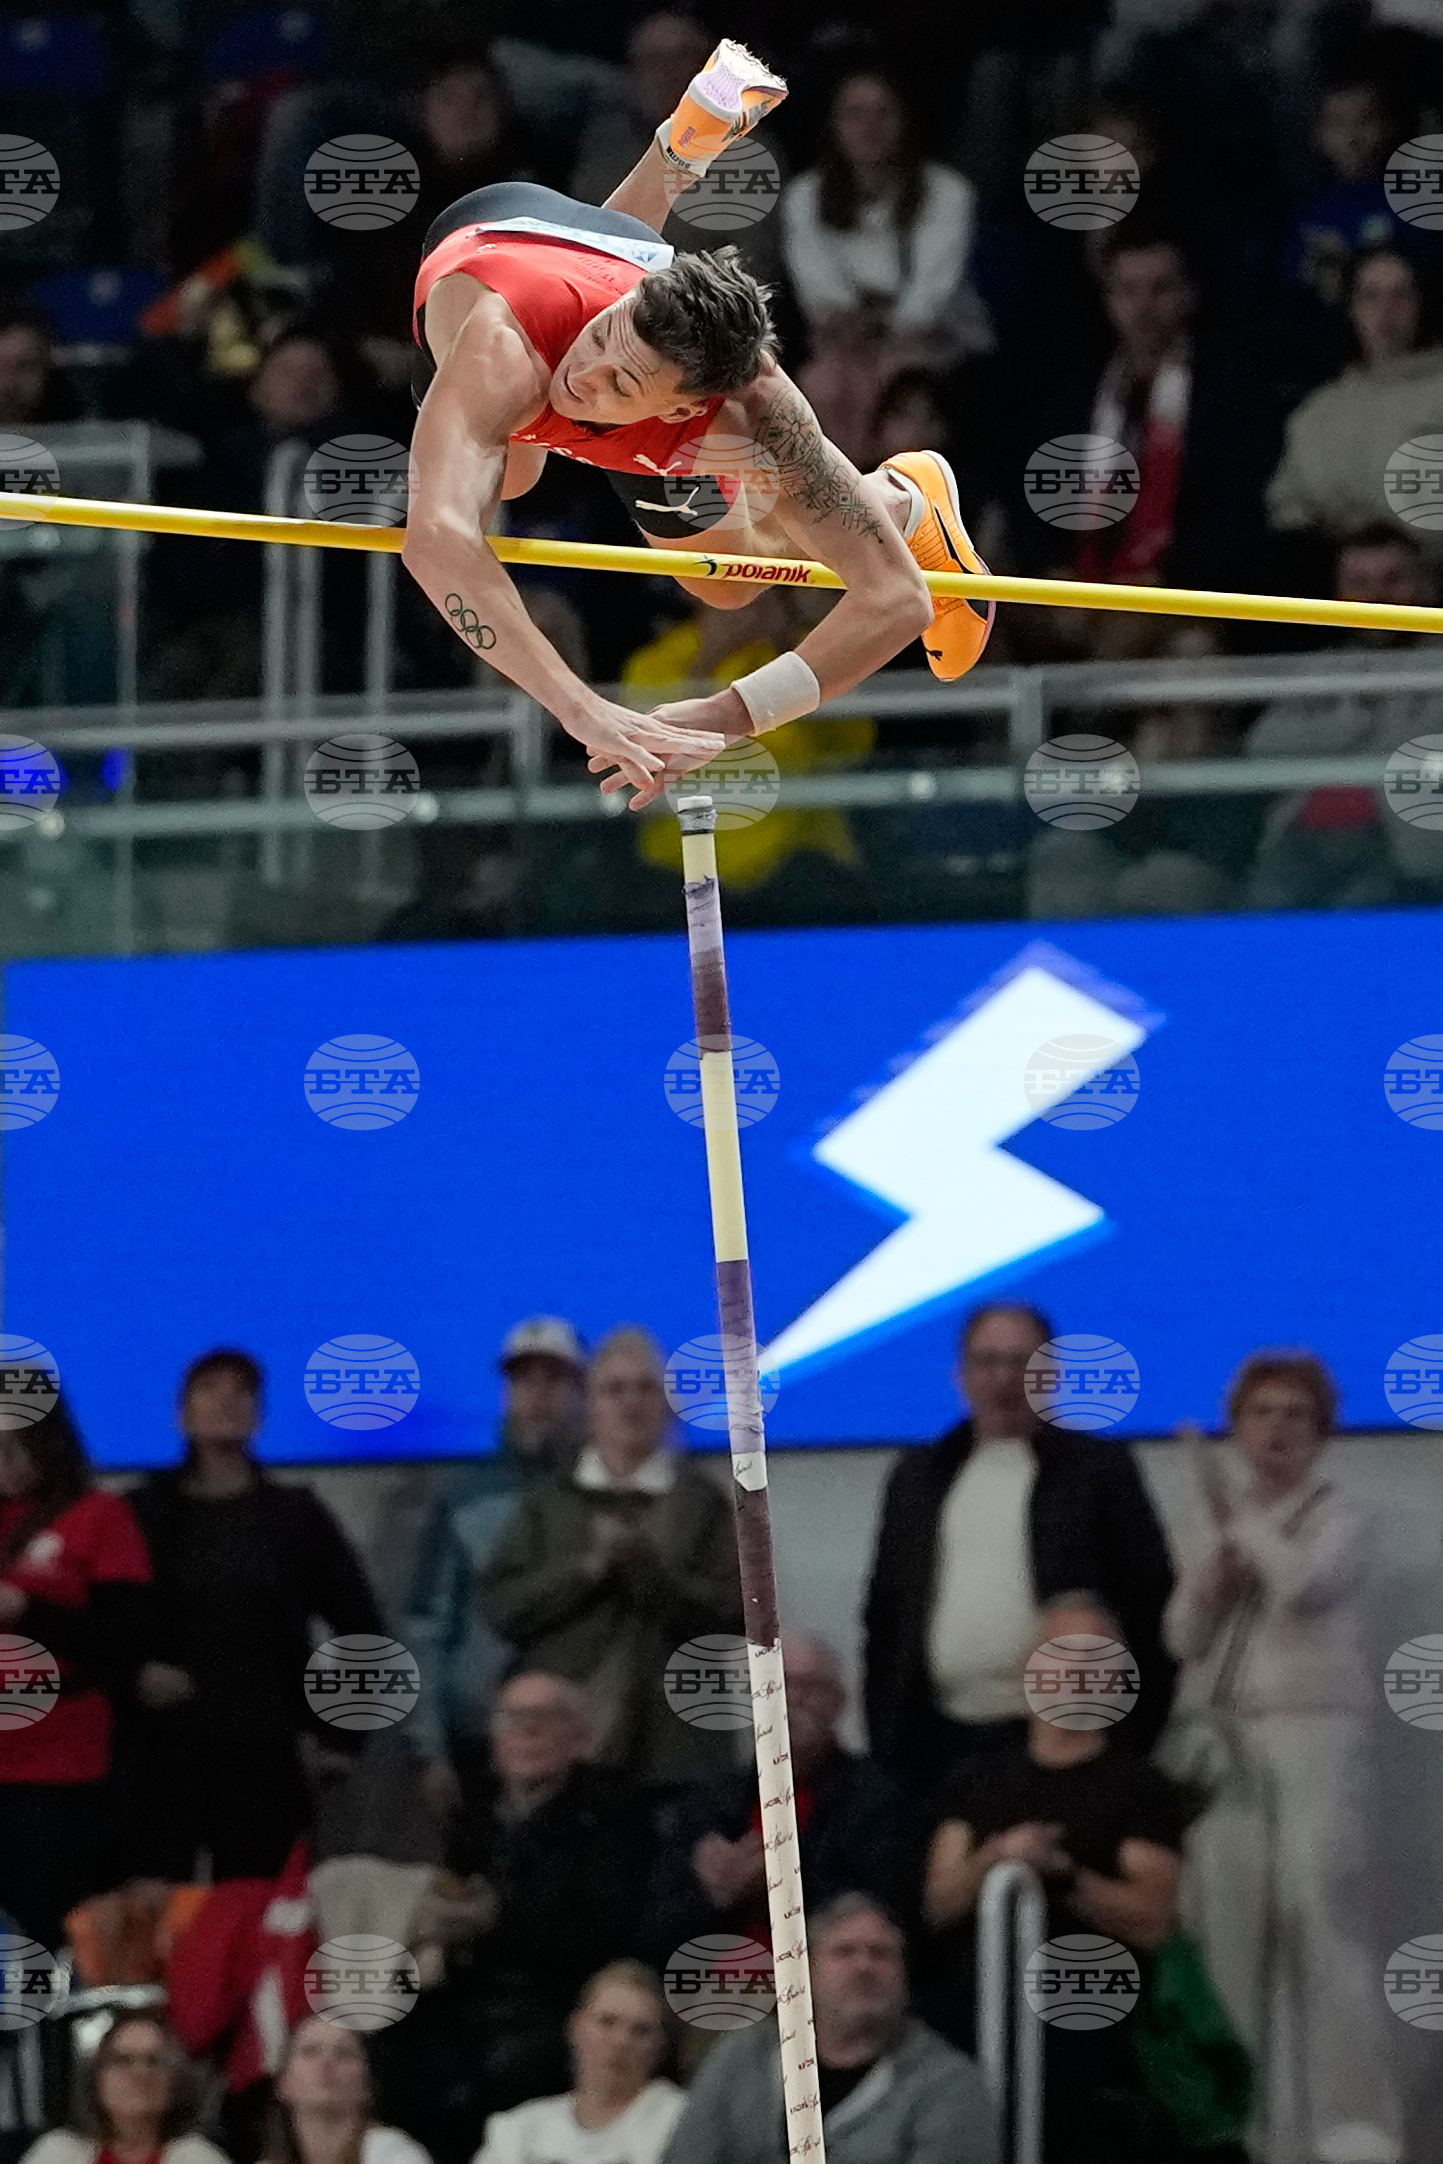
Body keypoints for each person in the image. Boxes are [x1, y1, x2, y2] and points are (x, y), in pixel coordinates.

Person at [404, 38, 995, 814]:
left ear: (687, 408)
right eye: (605, 340)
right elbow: (435, 543)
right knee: (512, 470)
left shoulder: (753, 401)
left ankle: (902, 502)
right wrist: (584, 711)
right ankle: (681, 145)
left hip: (606, 286)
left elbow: (896, 603)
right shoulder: (506, 350)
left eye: (621, 380)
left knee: (722, 585)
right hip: (499, 250)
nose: (587, 374)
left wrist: (730, 716)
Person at [1164, 1352, 1405, 2164]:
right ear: (1237, 1424)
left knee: (1320, 1916)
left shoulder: (1346, 1512)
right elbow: (1181, 1639)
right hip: (1232, 1741)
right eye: (1261, 1412)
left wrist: (1246, 1529)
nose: (1275, 1428)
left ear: (1321, 1432)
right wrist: (1212, 1570)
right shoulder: (1223, 1523)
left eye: (1294, 1414)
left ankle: (1351, 2126)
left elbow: (1304, 1585)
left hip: (1316, 1736)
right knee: (1232, 1926)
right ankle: (1246, 2123)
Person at [863, 1303, 1175, 1791]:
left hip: (1065, 1739)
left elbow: (1150, 1601)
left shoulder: (1099, 1471)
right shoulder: (919, 1475)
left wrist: (1134, 1739)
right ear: (961, 1374)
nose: (1005, 1378)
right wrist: (884, 1737)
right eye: (987, 1362)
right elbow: (885, 1612)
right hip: (935, 1739)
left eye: (1022, 1362)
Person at [921, 1612, 1196, 2164]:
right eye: (1058, 1653)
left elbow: (1154, 1919)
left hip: (1090, 2032)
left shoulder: (1140, 1789)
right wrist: (999, 1855)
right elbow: (938, 1904)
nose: (1072, 1672)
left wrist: (1062, 1874)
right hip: (970, 2019)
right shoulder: (976, 1780)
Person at [372, 1671, 652, 2164]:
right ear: (495, 1738)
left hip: (555, 1999)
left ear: (578, 1738)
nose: (529, 1733)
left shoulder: (615, 1815)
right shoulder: (473, 1815)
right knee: (384, 2043)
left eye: (546, 1720)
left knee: (501, 2073)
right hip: (464, 1993)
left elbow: (610, 1933)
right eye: (514, 1720)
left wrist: (495, 1922)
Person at [127, 1347, 385, 1881]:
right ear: (181, 1414)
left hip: (266, 1755)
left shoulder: (295, 1516)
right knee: (157, 1930)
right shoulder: (140, 1514)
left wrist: (340, 1742)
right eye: (209, 1390)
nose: (226, 1401)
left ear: (260, 1414)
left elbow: (363, 1629)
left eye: (241, 1392)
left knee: (255, 1922)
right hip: (160, 1758)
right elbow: (104, 1624)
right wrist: (134, 1673)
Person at [479, 1328, 742, 1789]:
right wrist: (588, 1568)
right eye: (614, 1390)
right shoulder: (549, 1501)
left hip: (676, 1752)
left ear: (667, 1406)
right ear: (590, 1404)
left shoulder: (702, 1502)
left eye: (646, 1389)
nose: (630, 1403)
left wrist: (642, 1568)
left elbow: (731, 1617)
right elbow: (503, 1609)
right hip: (566, 1753)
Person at [402, 1316, 588, 1820]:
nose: (538, 1395)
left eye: (555, 1379)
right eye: (523, 1379)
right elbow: (427, 1627)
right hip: (480, 1737)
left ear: (581, 1392)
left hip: (587, 1737)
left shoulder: (610, 1491)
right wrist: (429, 1749)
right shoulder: (465, 1493)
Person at [659, 1893, 997, 2164]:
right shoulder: (742, 2053)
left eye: (880, 1954)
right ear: (806, 1970)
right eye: (844, 1952)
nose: (863, 1966)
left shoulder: (949, 2083)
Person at [645, 1632, 916, 1963]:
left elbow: (886, 1910)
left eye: (811, 1687)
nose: (794, 1699)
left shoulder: (877, 1797)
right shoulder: (709, 1802)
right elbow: (655, 1928)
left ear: (839, 1703)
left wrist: (776, 1884)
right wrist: (710, 1894)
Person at [781, 71, 990, 467]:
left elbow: (931, 291)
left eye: (883, 113)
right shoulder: (804, 196)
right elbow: (819, 292)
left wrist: (885, 323)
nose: (869, 128)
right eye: (854, 114)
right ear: (834, 126)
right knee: (819, 386)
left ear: (906, 121)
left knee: (901, 393)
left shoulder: (948, 191)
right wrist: (853, 322)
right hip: (844, 341)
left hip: (935, 340)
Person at [0, 1397, 149, 1951]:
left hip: (58, 1760)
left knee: (48, 1929)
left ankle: (56, 2037)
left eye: (15, 1442)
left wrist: (26, 1610)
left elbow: (124, 1637)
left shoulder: (96, 1516)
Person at [1244, 526, 1443, 907]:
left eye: (1394, 580)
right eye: (1360, 583)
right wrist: (1359, 714)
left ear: (1426, 586)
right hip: (1302, 842)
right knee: (1266, 913)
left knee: (1362, 906)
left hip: (1402, 849)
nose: (1377, 599)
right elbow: (1263, 745)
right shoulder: (1319, 671)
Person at [1268, 244, 1443, 555]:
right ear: (1351, 308)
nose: (1386, 309)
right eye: (1370, 296)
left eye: (1400, 295)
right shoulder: (1317, 412)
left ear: (1423, 303)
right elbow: (1288, 510)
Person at [473, 1962, 683, 2164]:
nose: (621, 2041)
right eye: (607, 2022)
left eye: (641, 2030)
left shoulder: (679, 2121)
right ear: (576, 2026)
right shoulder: (517, 2130)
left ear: (661, 2045)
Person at [20, 2013, 228, 2164]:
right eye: (123, 2060)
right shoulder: (55, 2154)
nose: (140, 2073)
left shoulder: (201, 2158)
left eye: (154, 2061)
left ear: (175, 2081)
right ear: (96, 2079)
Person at [264, 2017, 431, 2164]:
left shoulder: (396, 2156)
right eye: (310, 2051)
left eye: (344, 2053)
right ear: (282, 2082)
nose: (327, 2063)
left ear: (367, 2084)